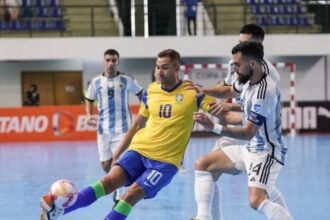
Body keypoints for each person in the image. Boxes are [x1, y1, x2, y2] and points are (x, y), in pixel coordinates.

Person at [40, 49, 215, 220]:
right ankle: (58, 213)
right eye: (157, 67)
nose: (159, 71)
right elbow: (137, 124)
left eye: (165, 67)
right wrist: (117, 153)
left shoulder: (193, 92)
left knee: (131, 194)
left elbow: (221, 111)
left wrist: (234, 118)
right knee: (108, 182)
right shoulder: (151, 91)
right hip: (139, 150)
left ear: (177, 69)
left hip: (165, 162)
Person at [186, 24, 281, 220]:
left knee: (259, 196)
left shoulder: (267, 79)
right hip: (246, 124)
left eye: (244, 43)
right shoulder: (242, 67)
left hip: (257, 135)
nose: (239, 47)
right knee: (206, 167)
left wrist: (217, 124)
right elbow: (229, 89)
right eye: (239, 42)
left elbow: (255, 116)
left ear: (256, 47)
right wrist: (205, 91)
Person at [84, 49, 143, 204]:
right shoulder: (95, 82)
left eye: (114, 60)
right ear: (104, 61)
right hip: (103, 129)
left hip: (123, 129)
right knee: (105, 165)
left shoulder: (127, 79)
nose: (111, 63)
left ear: (118, 62)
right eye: (108, 60)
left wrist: (145, 110)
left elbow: (141, 94)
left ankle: (119, 191)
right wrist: (89, 115)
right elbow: (89, 99)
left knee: (119, 161)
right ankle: (118, 183)